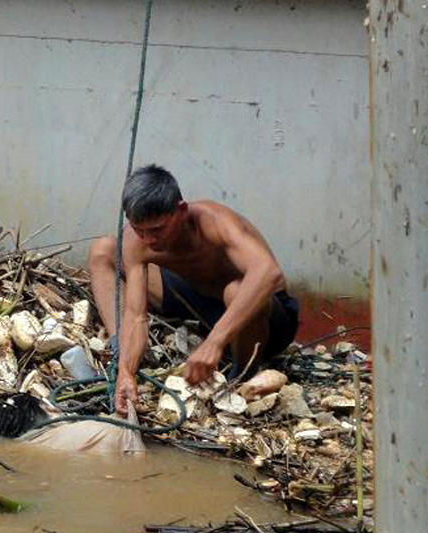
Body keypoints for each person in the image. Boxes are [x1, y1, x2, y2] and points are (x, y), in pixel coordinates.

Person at [87, 165, 299, 416]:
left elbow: (267, 272)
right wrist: (126, 372)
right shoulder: (137, 242)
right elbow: (136, 316)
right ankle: (119, 350)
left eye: (157, 229)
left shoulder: (214, 221)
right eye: (139, 230)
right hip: (199, 302)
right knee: (104, 249)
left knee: (235, 289)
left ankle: (242, 373)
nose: (148, 240)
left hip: (264, 318)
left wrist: (214, 342)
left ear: (181, 211)